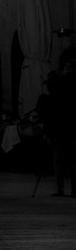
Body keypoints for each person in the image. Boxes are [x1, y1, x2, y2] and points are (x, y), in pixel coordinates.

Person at [37, 50, 76, 194]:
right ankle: (61, 187)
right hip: (61, 123)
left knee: (69, 158)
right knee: (60, 158)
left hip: (68, 123)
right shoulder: (56, 77)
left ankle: (69, 188)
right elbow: (53, 89)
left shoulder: (59, 78)